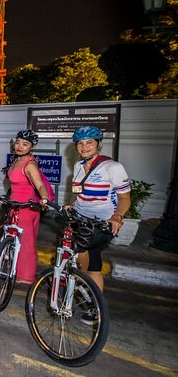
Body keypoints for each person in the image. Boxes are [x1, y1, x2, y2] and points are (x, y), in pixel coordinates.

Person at [68, 126, 130, 323]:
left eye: (89, 143)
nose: (84, 147)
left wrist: (117, 217)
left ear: (98, 144)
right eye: (80, 143)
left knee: (84, 254)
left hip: (103, 222)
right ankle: (95, 305)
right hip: (80, 218)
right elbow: (79, 193)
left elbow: (125, 198)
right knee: (93, 263)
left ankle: (85, 287)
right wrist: (72, 204)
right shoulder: (78, 166)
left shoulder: (112, 167)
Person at [4, 130, 50, 284]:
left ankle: (26, 276)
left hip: (27, 207)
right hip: (15, 205)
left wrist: (44, 198)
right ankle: (16, 269)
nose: (20, 146)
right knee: (14, 239)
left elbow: (40, 185)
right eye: (18, 142)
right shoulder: (16, 160)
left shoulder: (29, 164)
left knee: (26, 242)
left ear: (32, 147)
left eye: (25, 144)